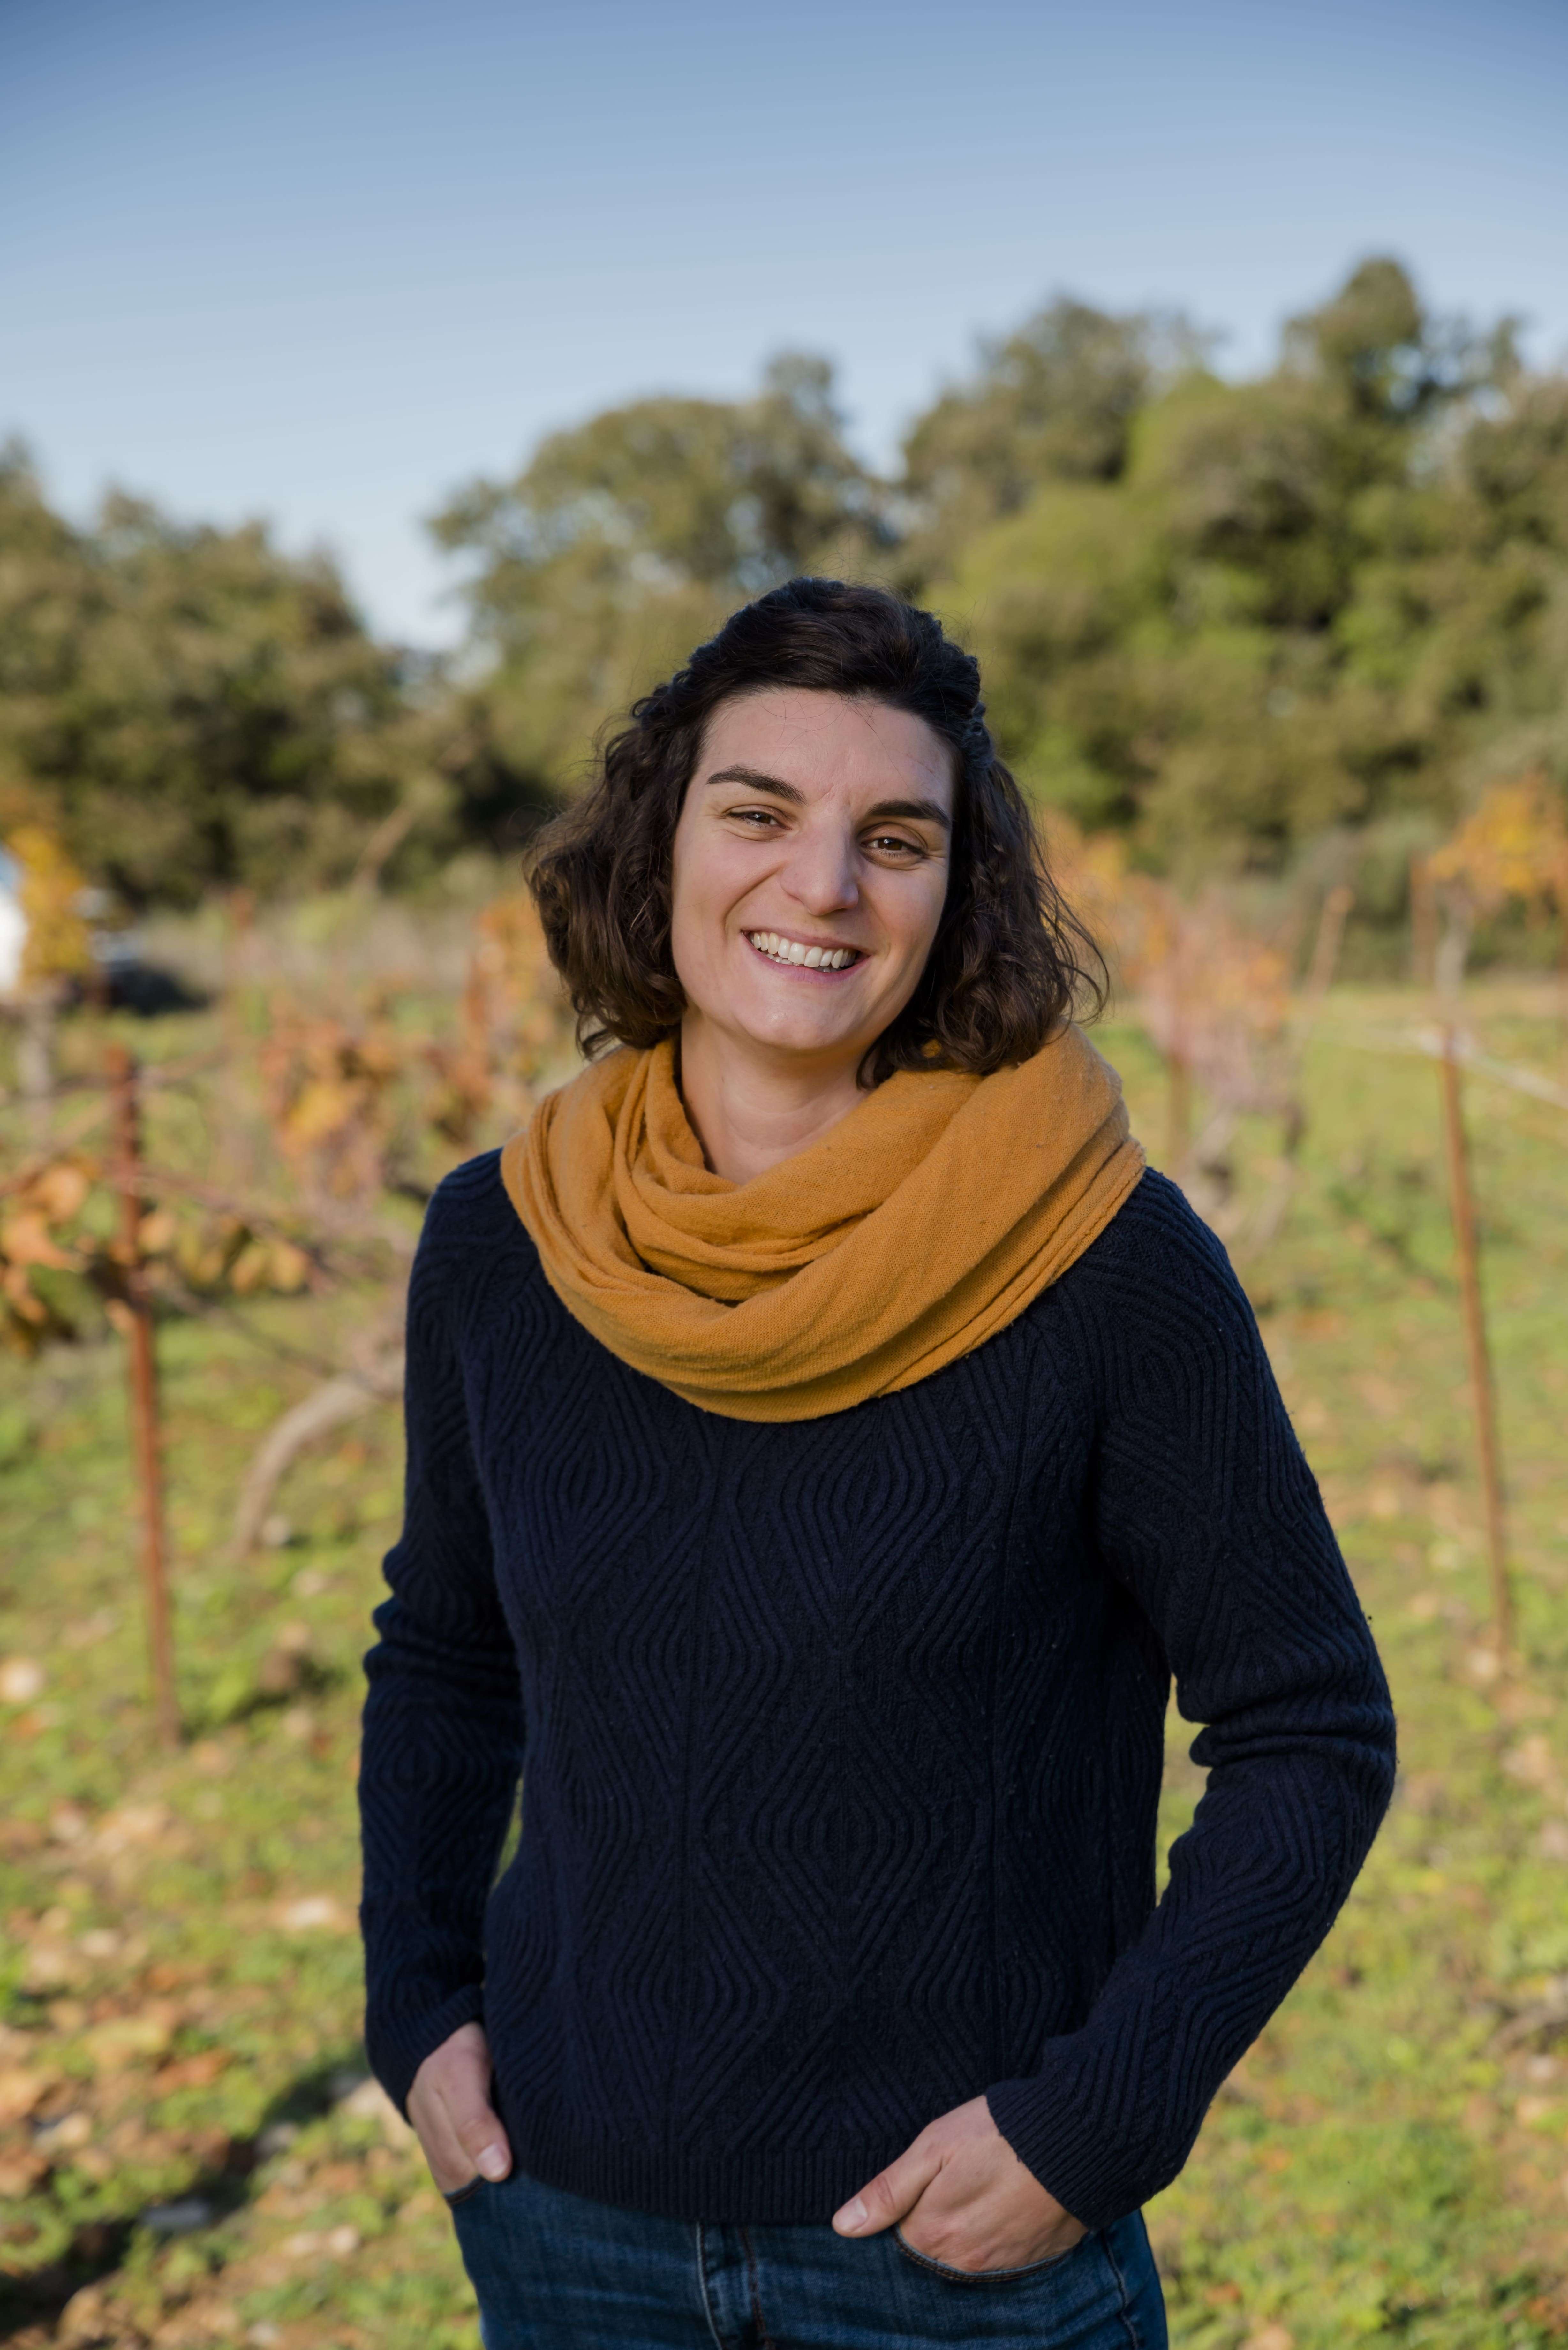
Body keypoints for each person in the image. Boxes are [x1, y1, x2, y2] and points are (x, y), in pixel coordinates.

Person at [358, 577, 1395, 2350]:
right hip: (565, 2218)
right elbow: (450, 1659)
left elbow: (1311, 1727)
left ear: (955, 893)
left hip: (955, 2253)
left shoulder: (1105, 1265)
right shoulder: (501, 1243)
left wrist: (1095, 2124)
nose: (821, 884)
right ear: (658, 840)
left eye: (894, 838)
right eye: (757, 811)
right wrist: (420, 2004)